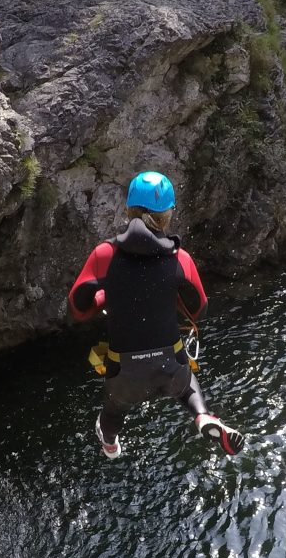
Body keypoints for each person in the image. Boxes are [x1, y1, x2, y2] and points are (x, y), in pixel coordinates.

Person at [68, 170, 246, 459]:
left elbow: (77, 307)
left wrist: (102, 297)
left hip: (124, 369)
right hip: (170, 363)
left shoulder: (104, 254)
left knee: (115, 406)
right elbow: (199, 307)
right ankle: (202, 416)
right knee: (186, 386)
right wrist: (170, 297)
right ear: (168, 214)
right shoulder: (180, 258)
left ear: (128, 209)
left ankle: (110, 442)